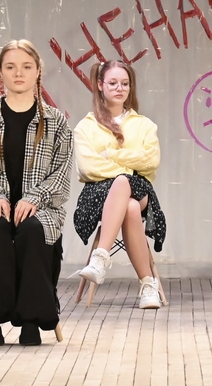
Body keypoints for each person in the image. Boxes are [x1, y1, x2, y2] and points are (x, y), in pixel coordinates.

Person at [0, 39, 74, 345]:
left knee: (33, 231)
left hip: (41, 208)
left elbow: (61, 178)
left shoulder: (55, 121)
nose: (19, 73)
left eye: (26, 66)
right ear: (0, 72)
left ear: (38, 71)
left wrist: (33, 198)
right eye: (10, 67)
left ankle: (31, 323)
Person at [70, 59, 166, 309]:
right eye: (113, 83)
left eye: (125, 83)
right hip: (98, 193)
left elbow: (151, 161)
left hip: (140, 188)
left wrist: (112, 155)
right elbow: (88, 167)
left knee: (125, 184)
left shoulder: (144, 124)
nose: (119, 88)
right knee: (129, 205)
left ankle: (100, 258)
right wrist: (129, 167)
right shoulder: (85, 127)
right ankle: (148, 284)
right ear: (100, 85)